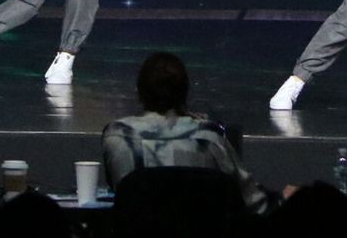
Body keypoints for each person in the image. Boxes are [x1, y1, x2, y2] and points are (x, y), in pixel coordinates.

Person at [102, 51, 282, 214]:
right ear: (185, 92)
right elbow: (252, 201)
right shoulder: (210, 138)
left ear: (139, 91)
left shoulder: (118, 136)